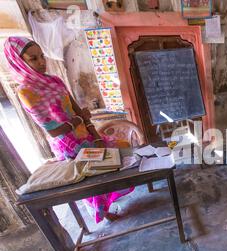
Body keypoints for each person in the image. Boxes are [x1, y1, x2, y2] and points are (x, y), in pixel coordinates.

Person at [4, 36, 133, 223]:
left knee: (119, 155)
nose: (41, 62)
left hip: (85, 135)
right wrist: (79, 119)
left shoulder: (55, 81)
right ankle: (102, 212)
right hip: (68, 146)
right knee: (94, 177)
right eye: (33, 59)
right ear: (19, 62)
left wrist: (95, 135)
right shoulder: (26, 92)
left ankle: (105, 205)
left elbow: (78, 111)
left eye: (42, 56)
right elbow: (54, 131)